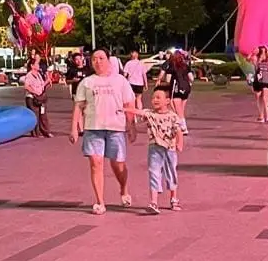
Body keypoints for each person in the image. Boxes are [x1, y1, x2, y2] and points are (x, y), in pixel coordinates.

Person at [70, 46, 137, 214]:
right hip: (93, 128)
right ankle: (100, 201)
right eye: (94, 59)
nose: (98, 62)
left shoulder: (120, 81)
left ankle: (124, 189)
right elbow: (78, 106)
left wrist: (131, 126)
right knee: (96, 163)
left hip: (116, 128)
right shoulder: (87, 82)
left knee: (118, 164)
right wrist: (74, 128)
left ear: (109, 60)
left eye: (101, 58)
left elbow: (129, 104)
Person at [134, 85, 183, 213]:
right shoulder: (150, 114)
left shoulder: (172, 116)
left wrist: (180, 143)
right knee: (153, 172)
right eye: (153, 98)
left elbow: (178, 130)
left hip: (169, 149)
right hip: (154, 148)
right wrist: (122, 108)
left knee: (171, 173)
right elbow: (137, 112)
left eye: (158, 97)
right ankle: (154, 202)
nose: (154, 100)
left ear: (167, 101)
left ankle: (174, 199)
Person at [162, 49, 193, 134]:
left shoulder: (172, 67)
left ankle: (183, 127)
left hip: (176, 88)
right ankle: (180, 125)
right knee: (181, 109)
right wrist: (188, 83)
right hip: (186, 89)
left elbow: (168, 80)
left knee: (177, 109)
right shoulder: (186, 66)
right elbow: (191, 78)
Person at [22, 56, 51, 137]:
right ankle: (36, 133)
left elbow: (41, 85)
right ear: (32, 66)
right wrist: (35, 92)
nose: (38, 65)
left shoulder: (38, 74)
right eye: (37, 64)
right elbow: (26, 86)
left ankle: (44, 131)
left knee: (42, 115)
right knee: (35, 116)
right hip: (32, 98)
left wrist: (47, 82)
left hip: (40, 98)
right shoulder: (29, 75)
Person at [252, 46, 268, 124]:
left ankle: (265, 117)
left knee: (264, 98)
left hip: (264, 78)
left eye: (264, 51)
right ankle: (263, 117)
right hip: (261, 78)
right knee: (262, 98)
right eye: (262, 51)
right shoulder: (257, 58)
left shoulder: (267, 58)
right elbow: (249, 58)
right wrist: (254, 52)